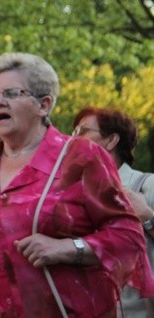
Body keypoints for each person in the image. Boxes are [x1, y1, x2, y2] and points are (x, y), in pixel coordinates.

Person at [0, 52, 154, 317]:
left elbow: (128, 235)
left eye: (11, 93)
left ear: (44, 105)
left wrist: (67, 248)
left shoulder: (80, 156)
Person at [73, 106, 154, 317]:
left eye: (82, 131)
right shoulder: (72, 195)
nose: (73, 139)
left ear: (111, 140)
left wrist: (147, 219)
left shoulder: (147, 185)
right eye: (73, 133)